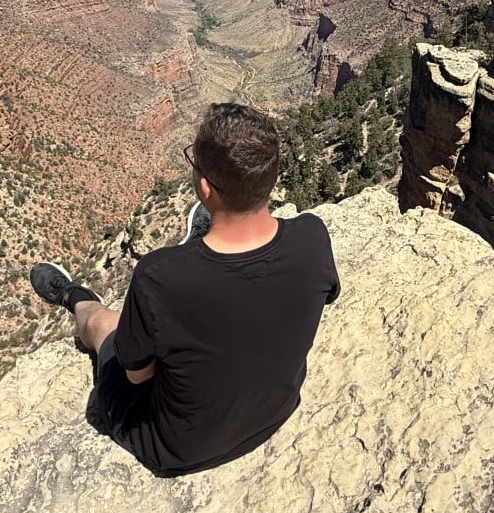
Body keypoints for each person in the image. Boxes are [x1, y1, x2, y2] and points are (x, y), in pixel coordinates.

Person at [29, 103, 341, 477]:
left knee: (104, 324)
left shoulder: (157, 277)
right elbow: (318, 297)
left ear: (205, 187)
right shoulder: (312, 236)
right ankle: (203, 240)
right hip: (275, 412)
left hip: (174, 447)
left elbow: (137, 377)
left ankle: (73, 296)